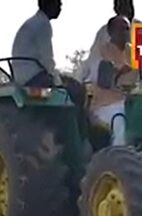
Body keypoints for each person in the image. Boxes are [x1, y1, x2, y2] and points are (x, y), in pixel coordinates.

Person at [11, 0, 88, 138]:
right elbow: (47, 59)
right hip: (34, 75)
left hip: (24, 73)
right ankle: (78, 138)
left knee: (69, 86)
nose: (60, 6)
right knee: (76, 90)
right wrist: (58, 82)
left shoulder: (33, 22)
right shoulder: (42, 24)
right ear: (48, 4)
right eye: (58, 3)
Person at [89, 16, 137, 146]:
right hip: (105, 104)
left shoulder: (134, 53)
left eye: (127, 29)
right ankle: (117, 158)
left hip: (132, 102)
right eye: (121, 29)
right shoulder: (100, 51)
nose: (125, 33)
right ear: (110, 32)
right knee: (120, 117)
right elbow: (99, 78)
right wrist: (118, 71)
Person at [78, 0, 139, 85]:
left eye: (128, 3)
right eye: (121, 4)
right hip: (106, 91)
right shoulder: (103, 37)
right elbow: (93, 66)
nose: (126, 7)